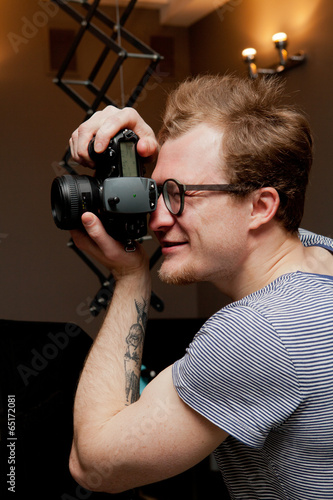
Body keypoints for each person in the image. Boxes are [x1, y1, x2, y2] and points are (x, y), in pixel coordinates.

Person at [68, 74, 333, 499]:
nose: (156, 220)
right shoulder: (322, 259)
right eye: (155, 192)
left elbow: (93, 463)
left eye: (179, 194)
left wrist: (130, 277)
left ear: (261, 206)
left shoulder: (260, 332)